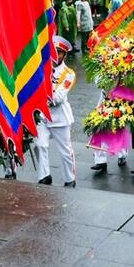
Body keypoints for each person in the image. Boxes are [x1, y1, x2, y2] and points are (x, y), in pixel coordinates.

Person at [33, 36, 77, 186]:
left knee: (65, 151)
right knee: (39, 145)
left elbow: (57, 98)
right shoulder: (40, 68)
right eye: (54, 51)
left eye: (59, 53)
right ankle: (44, 176)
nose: (56, 55)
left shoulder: (68, 73)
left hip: (59, 118)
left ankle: (69, 179)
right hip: (42, 116)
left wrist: (40, 95)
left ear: (65, 55)